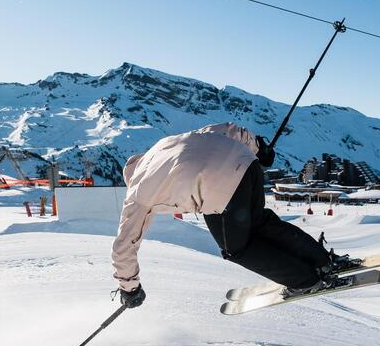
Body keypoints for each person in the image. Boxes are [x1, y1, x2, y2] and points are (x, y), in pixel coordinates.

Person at [111, 122, 350, 309]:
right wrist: (259, 148)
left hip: (218, 185)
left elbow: (124, 246)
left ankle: (305, 281)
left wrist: (129, 289)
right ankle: (323, 262)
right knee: (260, 223)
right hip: (246, 164)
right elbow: (225, 129)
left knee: (236, 248)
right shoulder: (165, 145)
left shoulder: (138, 192)